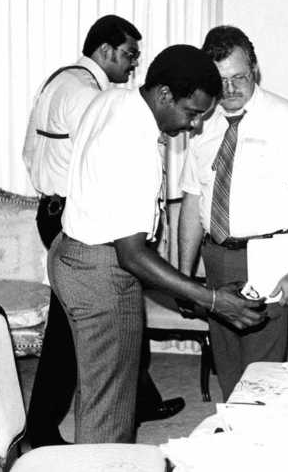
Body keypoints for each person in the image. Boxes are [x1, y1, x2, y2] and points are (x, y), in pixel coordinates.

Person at [49, 44, 268, 443]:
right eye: (192, 112)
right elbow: (131, 254)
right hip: (102, 272)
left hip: (73, 254)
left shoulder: (114, 98)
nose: (195, 126)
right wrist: (212, 299)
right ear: (164, 94)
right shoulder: (135, 142)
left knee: (102, 388)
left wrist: (192, 291)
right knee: (110, 406)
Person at [22, 15, 183, 448]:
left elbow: (30, 149)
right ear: (106, 50)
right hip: (79, 222)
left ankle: (134, 400)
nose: (133, 66)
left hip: (59, 211)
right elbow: (104, 169)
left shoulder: (61, 82)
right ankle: (42, 431)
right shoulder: (89, 95)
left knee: (87, 336)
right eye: (129, 54)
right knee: (73, 342)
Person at [177, 26, 288, 400]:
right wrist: (184, 275)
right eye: (220, 80)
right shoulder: (200, 122)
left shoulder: (286, 118)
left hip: (265, 259)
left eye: (238, 77)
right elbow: (193, 202)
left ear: (254, 70)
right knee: (227, 368)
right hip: (216, 255)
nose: (229, 89)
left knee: (261, 378)